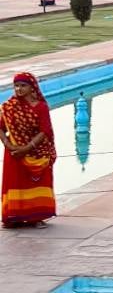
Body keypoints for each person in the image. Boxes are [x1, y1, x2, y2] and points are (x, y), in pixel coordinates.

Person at [1, 72, 57, 227]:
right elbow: (0, 128)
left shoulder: (41, 107)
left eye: (23, 85)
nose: (19, 89)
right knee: (15, 182)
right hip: (14, 153)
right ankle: (13, 216)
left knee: (36, 182)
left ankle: (36, 216)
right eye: (16, 86)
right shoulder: (9, 107)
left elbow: (45, 131)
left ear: (32, 87)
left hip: (36, 150)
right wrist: (9, 145)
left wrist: (27, 148)